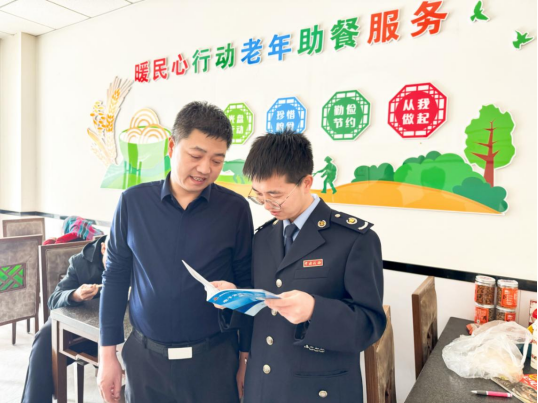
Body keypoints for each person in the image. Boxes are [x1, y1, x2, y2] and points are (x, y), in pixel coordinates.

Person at [214, 130, 386, 402]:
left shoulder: (354, 240)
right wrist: (233, 296)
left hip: (318, 391)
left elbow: (370, 325)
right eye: (259, 195)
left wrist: (315, 310)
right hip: (264, 386)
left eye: (275, 195)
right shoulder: (263, 238)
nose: (267, 205)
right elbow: (262, 310)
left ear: (306, 182)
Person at [98, 101, 253, 403]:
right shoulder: (133, 203)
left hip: (215, 362)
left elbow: (247, 283)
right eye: (196, 155)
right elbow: (114, 278)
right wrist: (107, 355)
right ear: (171, 146)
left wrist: (246, 358)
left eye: (217, 160)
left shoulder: (235, 210)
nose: (205, 168)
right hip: (146, 362)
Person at [21, 235, 107, 403]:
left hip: (123, 327)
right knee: (46, 337)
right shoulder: (80, 261)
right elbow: (54, 300)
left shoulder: (135, 256)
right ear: (103, 249)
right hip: (84, 331)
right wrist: (75, 295)